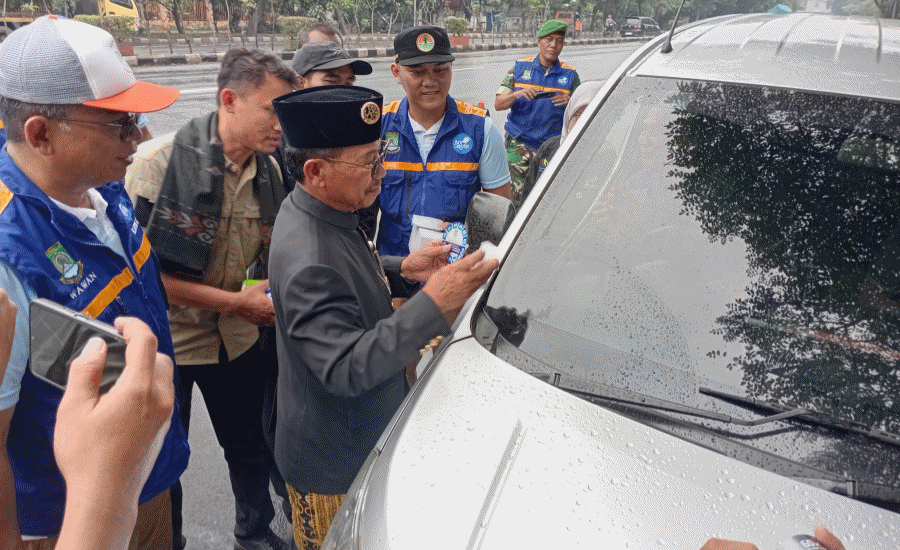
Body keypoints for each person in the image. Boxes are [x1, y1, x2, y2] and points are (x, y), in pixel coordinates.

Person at [269, 85, 499, 550]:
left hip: (361, 433)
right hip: (333, 463)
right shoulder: (309, 254)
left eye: (382, 156)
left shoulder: (322, 211)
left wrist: (401, 269)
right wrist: (434, 301)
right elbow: (346, 367)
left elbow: (349, 273)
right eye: (370, 164)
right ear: (316, 171)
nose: (383, 173)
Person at [0, 15, 189, 550]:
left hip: (148, 472)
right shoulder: (10, 253)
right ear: (40, 133)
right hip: (69, 517)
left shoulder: (100, 187)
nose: (140, 136)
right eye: (119, 123)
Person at [124, 48, 295, 550]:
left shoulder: (269, 173)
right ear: (229, 100)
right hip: (168, 344)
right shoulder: (158, 164)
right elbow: (143, 278)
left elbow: (266, 258)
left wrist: (255, 300)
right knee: (161, 461)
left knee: (249, 449)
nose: (281, 124)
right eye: (272, 109)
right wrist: (239, 302)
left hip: (234, 340)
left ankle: (254, 532)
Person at [375, 25, 511, 261]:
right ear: (396, 73)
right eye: (417, 72)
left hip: (454, 272)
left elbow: (498, 216)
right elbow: (359, 212)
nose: (430, 81)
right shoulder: (379, 129)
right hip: (395, 272)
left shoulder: (481, 129)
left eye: (440, 70)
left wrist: (467, 244)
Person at [494, 19, 581, 205]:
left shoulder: (570, 75)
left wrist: (570, 102)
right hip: (519, 146)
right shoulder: (519, 68)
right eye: (549, 39)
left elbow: (582, 112)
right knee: (513, 201)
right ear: (539, 41)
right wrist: (516, 95)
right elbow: (498, 104)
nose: (553, 45)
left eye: (559, 40)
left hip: (550, 149)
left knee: (544, 201)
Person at [520, 80, 605, 208]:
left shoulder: (607, 156)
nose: (582, 125)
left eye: (590, 117)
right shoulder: (549, 149)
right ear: (568, 116)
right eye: (578, 116)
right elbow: (526, 201)